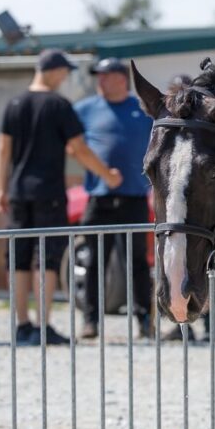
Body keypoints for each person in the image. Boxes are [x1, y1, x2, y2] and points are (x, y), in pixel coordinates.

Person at [0, 49, 123, 346]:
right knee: (46, 260)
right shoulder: (59, 106)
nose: (65, 78)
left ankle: (22, 325)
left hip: (17, 192)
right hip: (48, 193)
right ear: (52, 71)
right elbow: (78, 149)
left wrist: (1, 189)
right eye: (64, 72)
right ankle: (43, 324)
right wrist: (107, 175)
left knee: (19, 258)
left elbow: (3, 151)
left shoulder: (13, 104)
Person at [73, 58, 154, 340]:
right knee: (95, 260)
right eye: (98, 76)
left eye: (105, 76)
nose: (100, 81)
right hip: (100, 199)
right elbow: (74, 146)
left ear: (121, 79)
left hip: (134, 198)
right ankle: (90, 321)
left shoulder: (142, 110)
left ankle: (145, 320)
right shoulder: (84, 109)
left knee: (137, 263)